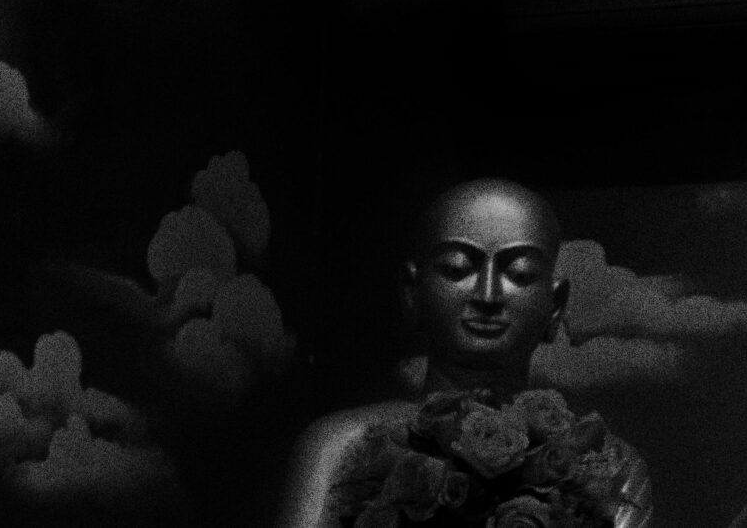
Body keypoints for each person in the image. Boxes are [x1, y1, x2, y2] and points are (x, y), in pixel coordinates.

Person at [277, 178, 650, 528]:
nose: (487, 295)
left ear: (555, 304)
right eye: (457, 269)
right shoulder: (341, 447)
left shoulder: (610, 467)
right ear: (412, 290)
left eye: (519, 274)